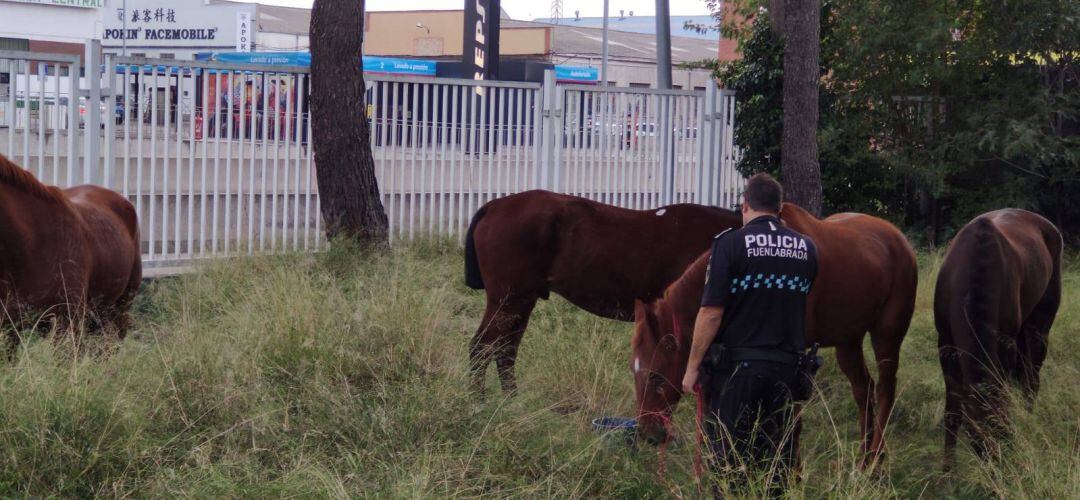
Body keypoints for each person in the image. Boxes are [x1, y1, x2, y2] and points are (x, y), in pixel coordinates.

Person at [680, 173, 819, 496]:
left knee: (728, 463)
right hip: (787, 372)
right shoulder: (806, 248)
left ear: (745, 206)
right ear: (780, 208)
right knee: (775, 465)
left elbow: (712, 312)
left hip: (737, 373)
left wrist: (691, 369)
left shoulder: (729, 244)